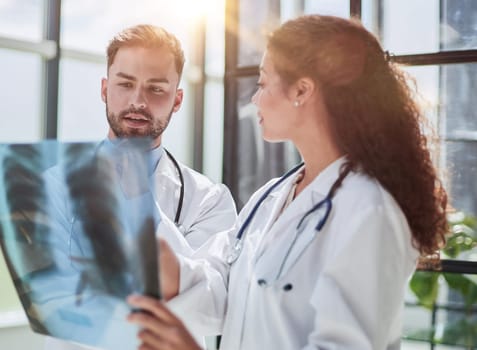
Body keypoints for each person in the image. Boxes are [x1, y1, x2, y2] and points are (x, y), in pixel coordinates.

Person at [126, 15, 449, 350]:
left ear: (302, 90)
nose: (255, 99)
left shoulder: (370, 209)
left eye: (263, 83)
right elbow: (224, 288)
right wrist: (164, 265)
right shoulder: (270, 198)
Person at [44, 24, 237, 349]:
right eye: (125, 84)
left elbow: (213, 308)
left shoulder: (209, 200)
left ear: (177, 100)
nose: (138, 101)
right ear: (105, 89)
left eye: (156, 89)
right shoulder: (54, 186)